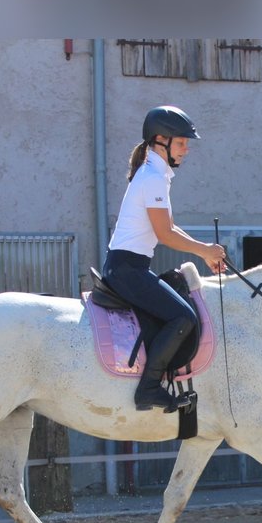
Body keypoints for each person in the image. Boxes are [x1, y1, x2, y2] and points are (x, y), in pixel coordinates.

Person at [102, 105, 227, 411]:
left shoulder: (155, 174)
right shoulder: (153, 177)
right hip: (127, 269)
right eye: (181, 142)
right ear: (161, 140)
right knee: (183, 317)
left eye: (186, 143)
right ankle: (148, 389)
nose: (186, 149)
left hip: (130, 266)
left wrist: (205, 251)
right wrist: (204, 251)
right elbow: (165, 234)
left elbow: (168, 226)